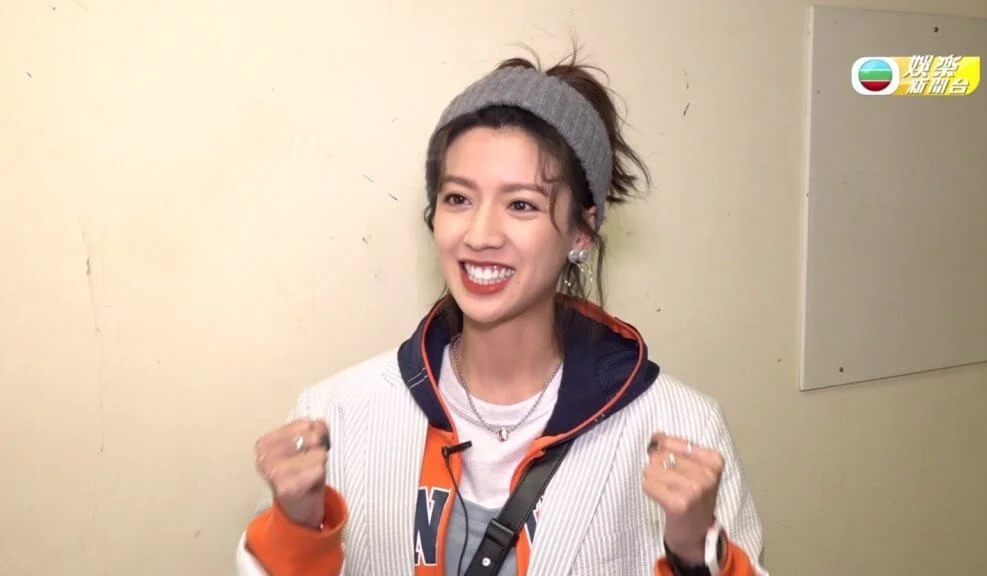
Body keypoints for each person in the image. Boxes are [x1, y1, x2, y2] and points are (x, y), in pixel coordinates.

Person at [235, 48, 768, 576]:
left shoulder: (679, 428)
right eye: (458, 199)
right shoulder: (337, 414)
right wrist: (297, 531)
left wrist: (695, 555)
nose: (480, 234)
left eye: (521, 205)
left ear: (582, 231)